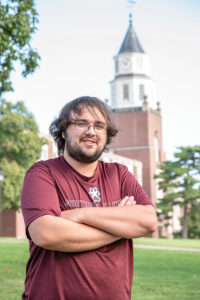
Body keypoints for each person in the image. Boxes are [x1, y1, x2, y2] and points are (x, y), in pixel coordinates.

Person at [21, 96, 157, 300]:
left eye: (99, 126)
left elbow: (148, 221)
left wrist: (78, 214)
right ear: (63, 131)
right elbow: (46, 234)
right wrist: (120, 226)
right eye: (81, 123)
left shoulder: (119, 174)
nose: (91, 132)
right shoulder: (42, 173)